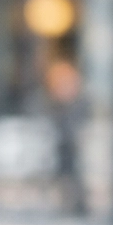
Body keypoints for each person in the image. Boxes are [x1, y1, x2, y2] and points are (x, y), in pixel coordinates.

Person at [44, 59, 88, 216]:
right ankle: (68, 204)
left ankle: (76, 205)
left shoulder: (78, 102)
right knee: (64, 173)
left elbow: (77, 122)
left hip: (71, 143)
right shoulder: (55, 103)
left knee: (71, 173)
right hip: (63, 143)